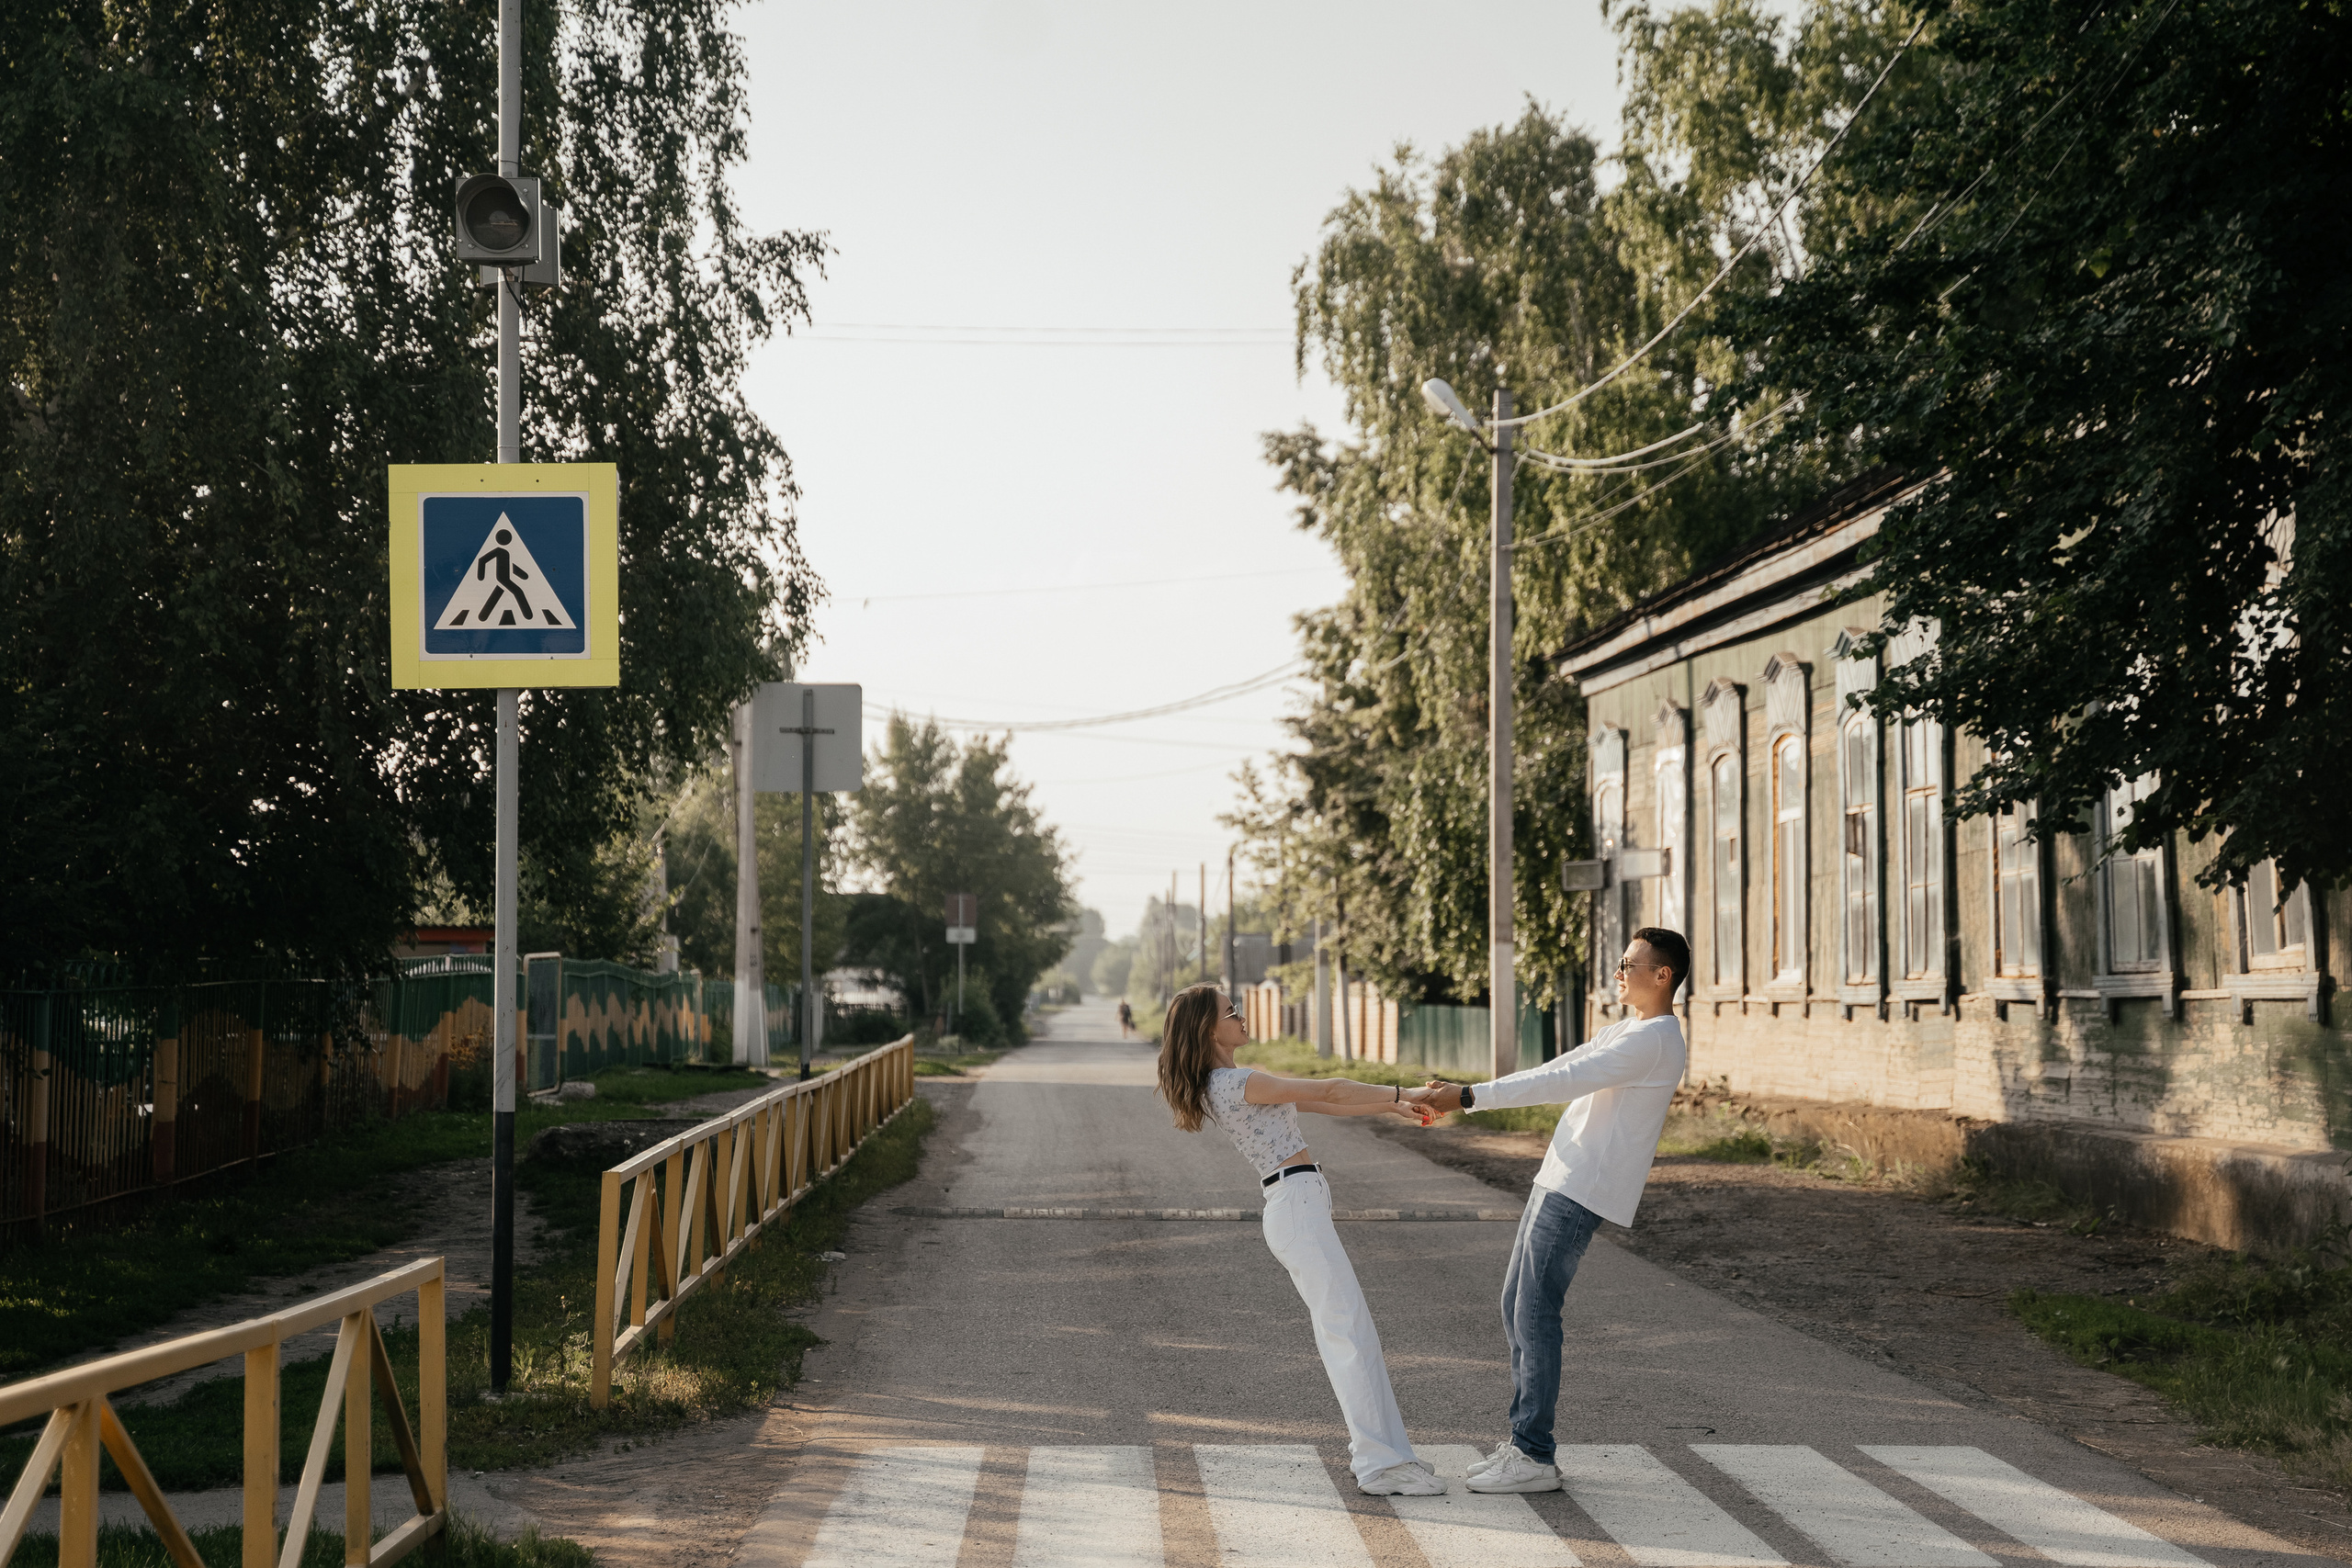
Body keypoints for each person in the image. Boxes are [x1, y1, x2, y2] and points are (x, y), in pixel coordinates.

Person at [1417, 927, 1692, 1495]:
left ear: (1661, 976)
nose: (1618, 972)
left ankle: (1534, 1454)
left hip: (1580, 1189)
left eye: (1628, 963)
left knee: (1536, 1311)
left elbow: (1561, 1081)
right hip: (1559, 1178)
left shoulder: (1655, 1039)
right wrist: (1471, 1089)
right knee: (1515, 1303)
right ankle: (1523, 1442)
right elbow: (1555, 1068)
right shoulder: (1628, 1030)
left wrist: (1468, 1097)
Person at [1156, 982, 1449, 1496]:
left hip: (1301, 1205)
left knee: (1353, 1332)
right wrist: (1404, 1093)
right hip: (1295, 1208)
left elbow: (1330, 1106)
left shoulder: (1233, 1081)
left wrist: (1390, 1106)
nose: (1241, 1017)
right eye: (1232, 1012)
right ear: (1208, 1028)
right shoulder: (1235, 1082)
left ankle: (1390, 1456)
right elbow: (1330, 1088)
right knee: (1348, 1335)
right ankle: (1380, 1465)